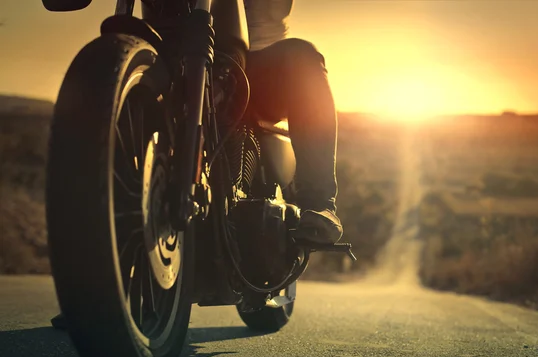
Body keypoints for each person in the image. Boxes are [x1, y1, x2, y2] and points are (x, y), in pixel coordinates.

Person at [51, 0, 343, 330]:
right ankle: (92, 283)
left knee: (301, 57)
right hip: (164, 53)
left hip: (246, 63)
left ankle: (320, 202)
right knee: (104, 95)